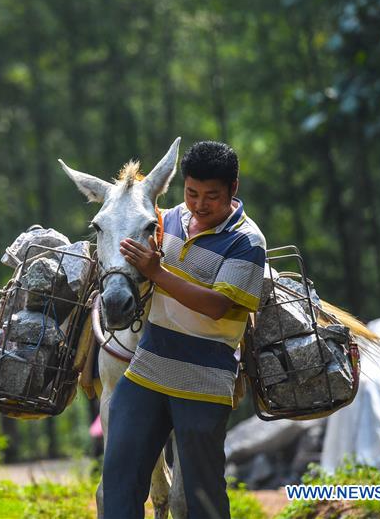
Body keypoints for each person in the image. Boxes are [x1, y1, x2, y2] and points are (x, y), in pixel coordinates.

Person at [103, 140, 266, 518]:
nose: (199, 204)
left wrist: (156, 272)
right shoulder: (166, 219)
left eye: (212, 196)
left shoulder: (248, 242)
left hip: (203, 382)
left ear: (233, 190)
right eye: (192, 193)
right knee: (119, 477)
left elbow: (218, 306)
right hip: (145, 372)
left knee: (200, 496)